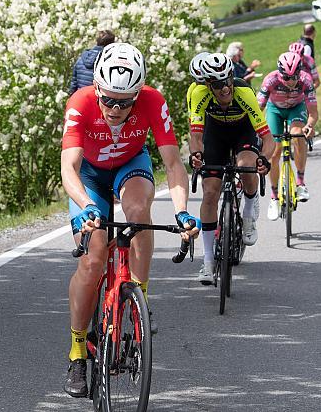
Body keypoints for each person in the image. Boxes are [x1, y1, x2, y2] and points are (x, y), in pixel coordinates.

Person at [60, 42, 200, 397]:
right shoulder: (80, 102)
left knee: (138, 212)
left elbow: (172, 163)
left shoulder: (153, 100)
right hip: (89, 175)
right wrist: (85, 205)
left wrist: (182, 210)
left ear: (139, 93)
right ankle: (77, 350)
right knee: (92, 259)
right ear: (96, 88)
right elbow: (69, 168)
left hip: (129, 163)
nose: (115, 109)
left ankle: (139, 297)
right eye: (108, 99)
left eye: (125, 102)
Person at [188, 53, 273, 284]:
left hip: (242, 132)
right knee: (210, 193)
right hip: (215, 135)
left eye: (228, 80)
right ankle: (207, 262)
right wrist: (196, 155)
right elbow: (195, 135)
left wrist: (264, 159)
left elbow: (268, 138)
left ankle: (248, 213)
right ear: (207, 84)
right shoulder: (199, 94)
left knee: (246, 166)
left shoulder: (243, 91)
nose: (225, 88)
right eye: (217, 84)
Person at [258, 52, 317, 220]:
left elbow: (313, 112)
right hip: (275, 110)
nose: (291, 82)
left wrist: (310, 126)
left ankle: (300, 183)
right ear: (279, 73)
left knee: (297, 135)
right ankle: (274, 197)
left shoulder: (306, 80)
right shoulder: (270, 80)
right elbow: (256, 109)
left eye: (294, 77)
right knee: (274, 152)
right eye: (286, 77)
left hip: (296, 109)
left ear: (300, 72)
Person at [69, 30, 115, 95]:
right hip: (96, 100)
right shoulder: (109, 61)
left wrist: (71, 97)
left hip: (80, 98)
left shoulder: (81, 59)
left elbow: (74, 83)